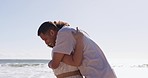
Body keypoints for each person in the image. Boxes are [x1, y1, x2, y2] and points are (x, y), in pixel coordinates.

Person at [37, 21, 117, 78]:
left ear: (52, 32)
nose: (46, 42)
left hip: (97, 74)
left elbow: (59, 64)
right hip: (104, 72)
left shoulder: (63, 33)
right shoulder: (70, 32)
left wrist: (49, 64)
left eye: (45, 39)